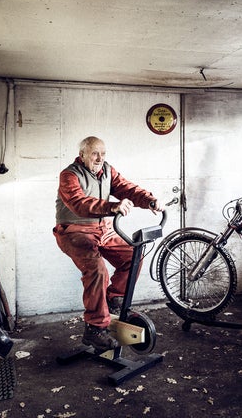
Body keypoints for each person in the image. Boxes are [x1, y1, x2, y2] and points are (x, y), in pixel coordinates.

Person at [53, 136, 164, 351]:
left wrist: (148, 199)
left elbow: (127, 188)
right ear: (82, 154)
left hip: (102, 229)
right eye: (94, 153)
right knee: (97, 271)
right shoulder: (69, 175)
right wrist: (112, 207)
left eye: (103, 154)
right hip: (74, 231)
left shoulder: (107, 171)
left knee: (133, 255)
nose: (99, 158)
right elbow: (78, 203)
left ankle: (114, 298)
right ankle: (94, 328)